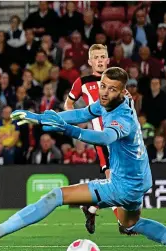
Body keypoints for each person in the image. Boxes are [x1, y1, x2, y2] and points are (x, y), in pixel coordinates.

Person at [0, 67, 166, 251]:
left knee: (55, 196)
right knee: (131, 224)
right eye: (103, 86)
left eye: (111, 89)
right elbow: (81, 113)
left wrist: (68, 131)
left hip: (122, 185)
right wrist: (39, 118)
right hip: (140, 179)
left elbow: (105, 137)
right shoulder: (110, 101)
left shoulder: (123, 118)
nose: (104, 92)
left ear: (123, 92)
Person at [64, 44, 128, 235]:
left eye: (103, 56)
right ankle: (123, 223)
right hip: (101, 138)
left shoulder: (117, 80)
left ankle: (91, 207)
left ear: (108, 60)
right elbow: (69, 103)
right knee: (112, 179)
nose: (100, 60)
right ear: (90, 61)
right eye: (96, 57)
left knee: (119, 182)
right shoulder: (82, 82)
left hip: (120, 136)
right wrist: (77, 122)